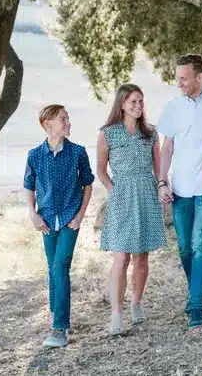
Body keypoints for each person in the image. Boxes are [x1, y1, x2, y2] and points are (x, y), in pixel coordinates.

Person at [157, 54, 202, 331]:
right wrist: (162, 181)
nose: (179, 83)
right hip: (180, 189)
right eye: (178, 77)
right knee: (184, 247)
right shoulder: (173, 106)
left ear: (200, 77)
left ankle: (197, 305)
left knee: (199, 246)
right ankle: (196, 291)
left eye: (184, 78)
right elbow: (167, 147)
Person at [97, 84, 166, 335]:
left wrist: (161, 185)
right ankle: (116, 313)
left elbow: (159, 168)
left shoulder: (151, 133)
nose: (138, 106)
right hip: (121, 195)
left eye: (141, 102)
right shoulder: (108, 134)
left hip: (146, 193)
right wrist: (113, 190)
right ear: (122, 104)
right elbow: (101, 171)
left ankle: (136, 302)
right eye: (133, 102)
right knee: (121, 257)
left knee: (141, 256)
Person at [24, 104, 94, 347]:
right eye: (63, 119)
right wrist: (33, 214)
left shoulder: (78, 152)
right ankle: (56, 314)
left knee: (60, 267)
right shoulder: (34, 155)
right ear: (48, 124)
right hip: (46, 220)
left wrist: (81, 215)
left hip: (69, 220)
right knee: (53, 268)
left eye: (68, 118)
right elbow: (28, 186)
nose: (68, 122)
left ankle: (60, 327)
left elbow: (87, 184)